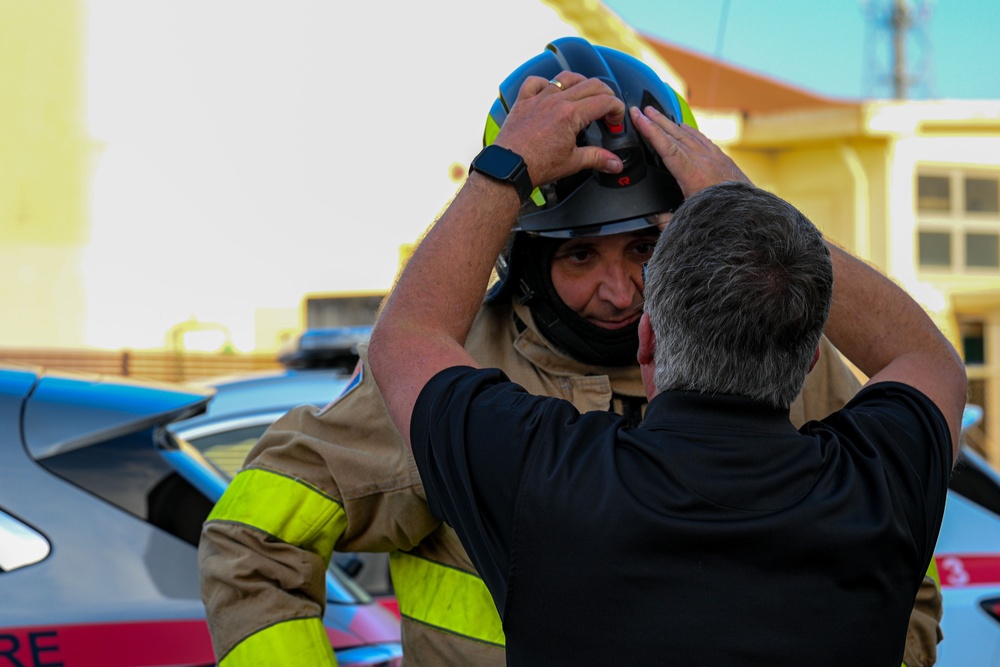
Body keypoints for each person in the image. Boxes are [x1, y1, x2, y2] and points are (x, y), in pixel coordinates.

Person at [198, 38, 941, 666]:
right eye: (580, 254)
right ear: (523, 260)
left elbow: (903, 573)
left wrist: (503, 170)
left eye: (646, 248)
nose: (622, 292)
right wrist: (754, 213)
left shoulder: (464, 395)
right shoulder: (481, 356)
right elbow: (255, 542)